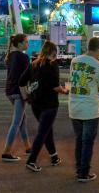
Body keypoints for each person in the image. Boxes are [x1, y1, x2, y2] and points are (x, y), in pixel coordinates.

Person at [69, 36, 99, 182]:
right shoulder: (98, 65)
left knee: (79, 139)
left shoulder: (75, 61)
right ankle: (84, 173)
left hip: (74, 107)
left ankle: (79, 169)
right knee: (87, 142)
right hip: (90, 109)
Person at [24, 41, 67, 172]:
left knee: (46, 129)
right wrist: (65, 91)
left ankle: (54, 156)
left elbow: (21, 81)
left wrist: (26, 95)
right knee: (42, 132)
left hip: (35, 103)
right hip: (49, 104)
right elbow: (55, 86)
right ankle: (31, 160)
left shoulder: (34, 64)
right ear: (54, 52)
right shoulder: (52, 65)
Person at [1, 33, 32, 162]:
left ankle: (28, 147)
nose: (27, 44)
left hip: (9, 91)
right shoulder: (24, 57)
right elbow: (25, 77)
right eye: (26, 42)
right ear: (19, 44)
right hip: (18, 91)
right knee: (17, 122)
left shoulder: (10, 56)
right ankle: (6, 152)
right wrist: (27, 94)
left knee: (22, 119)